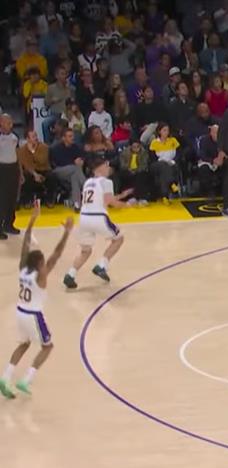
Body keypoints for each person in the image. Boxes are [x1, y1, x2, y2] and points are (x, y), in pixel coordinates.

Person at [0, 206, 73, 399]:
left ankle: (5, 377)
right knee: (47, 347)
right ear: (40, 264)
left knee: (24, 344)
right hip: (33, 315)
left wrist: (32, 220)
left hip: (20, 312)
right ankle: (26, 380)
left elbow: (25, 244)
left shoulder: (23, 269)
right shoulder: (41, 276)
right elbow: (56, 254)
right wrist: (67, 232)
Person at [63, 158, 132, 289]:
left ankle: (70, 275)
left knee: (85, 251)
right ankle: (102, 265)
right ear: (100, 168)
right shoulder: (106, 182)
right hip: (99, 217)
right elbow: (110, 202)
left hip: (84, 219)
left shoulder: (88, 182)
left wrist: (121, 196)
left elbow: (101, 198)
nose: (108, 168)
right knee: (118, 239)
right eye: (106, 165)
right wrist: (126, 205)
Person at [0, 114, 21, 239]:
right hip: (2, 169)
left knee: (12, 198)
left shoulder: (15, 137)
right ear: (1, 123)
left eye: (11, 122)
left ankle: (9, 224)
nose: (10, 125)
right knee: (2, 199)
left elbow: (17, 155)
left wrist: (20, 172)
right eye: (8, 122)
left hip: (13, 168)